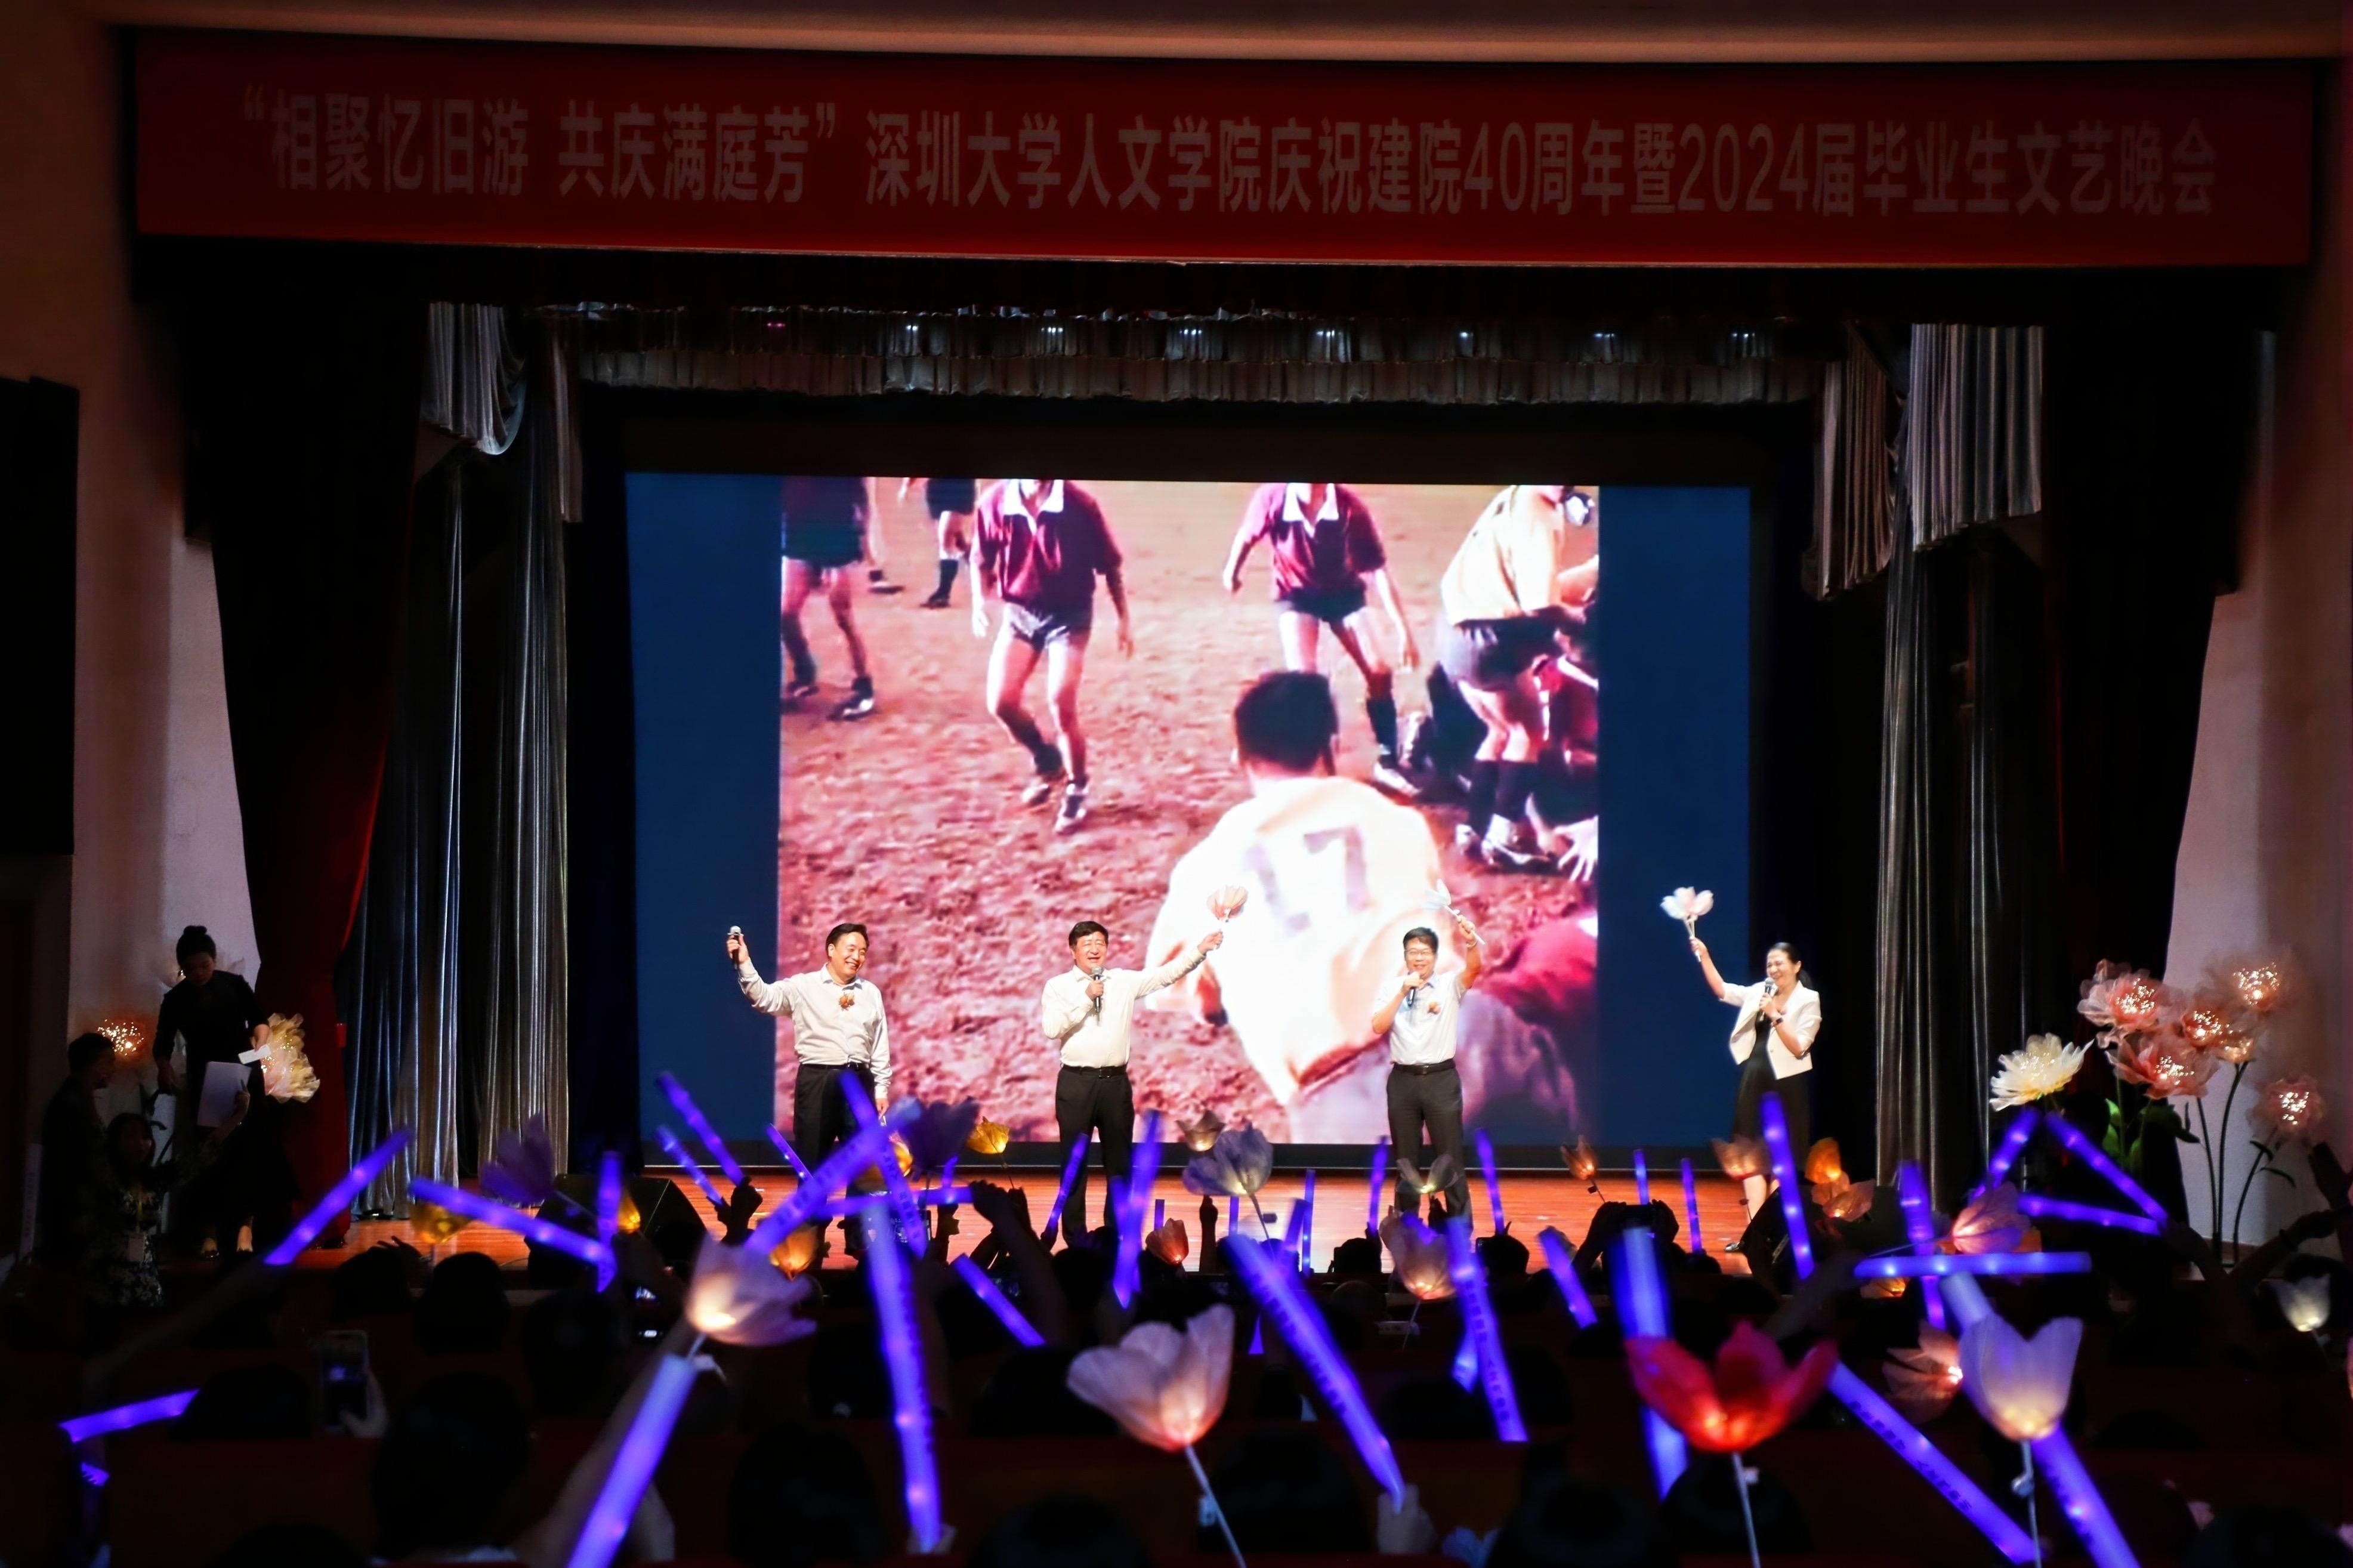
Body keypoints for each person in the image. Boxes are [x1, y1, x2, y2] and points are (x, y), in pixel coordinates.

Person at [1141, 673, 1446, 1140]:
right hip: (1462, 1041)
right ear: (1332, 746)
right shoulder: (1398, 821)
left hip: (1344, 1096)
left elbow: (1189, 994)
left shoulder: (1207, 862)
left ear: (1240, 758)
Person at [1222, 481, 1421, 795]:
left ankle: (1388, 761)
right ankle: (1323, 769)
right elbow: (1247, 535)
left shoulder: (1348, 507)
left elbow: (1377, 569)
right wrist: (1232, 570)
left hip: (1345, 595)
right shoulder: (1273, 498)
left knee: (1379, 669)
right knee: (1306, 683)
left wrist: (1403, 630)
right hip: (1296, 594)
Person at [1435, 484, 1595, 871]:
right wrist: (1577, 621)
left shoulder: (1516, 494)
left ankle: (1475, 828)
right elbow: (1540, 604)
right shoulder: (1539, 512)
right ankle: (1503, 838)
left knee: (1500, 731)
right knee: (1529, 732)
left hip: (1453, 630)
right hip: (1490, 637)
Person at [969, 478, 1131, 835]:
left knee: (1061, 700)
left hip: (1069, 616)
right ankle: (1047, 761)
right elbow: (980, 558)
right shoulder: (996, 502)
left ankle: (1077, 786)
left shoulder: (1079, 505)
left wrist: (1124, 619)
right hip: (1021, 615)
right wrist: (979, 601)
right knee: (1001, 702)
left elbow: (1109, 565)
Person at [1042, 917, 1222, 1232]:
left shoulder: (1122, 981)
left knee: (1120, 1164)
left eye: (1100, 943)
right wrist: (1087, 997)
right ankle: (1076, 1237)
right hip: (1076, 1084)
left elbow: (1166, 975)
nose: (1094, 949)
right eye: (1087, 944)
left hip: (1115, 1085)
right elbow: (1052, 1029)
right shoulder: (1058, 986)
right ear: (1073, 951)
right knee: (1074, 1164)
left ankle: (1115, 1233)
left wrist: (1200, 950)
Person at [730, 922, 893, 1162]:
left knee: (862, 1166)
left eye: (863, 952)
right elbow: (764, 998)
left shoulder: (870, 993)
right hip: (818, 1081)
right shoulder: (803, 986)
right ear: (831, 950)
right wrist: (744, 963)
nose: (857, 957)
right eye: (851, 949)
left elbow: (879, 1044)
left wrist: (881, 1089)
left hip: (859, 1081)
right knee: (812, 1161)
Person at [152, 925, 267, 1257]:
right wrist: (164, 1066)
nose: (199, 973)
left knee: (248, 1149)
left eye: (205, 965)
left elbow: (259, 1020)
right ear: (182, 968)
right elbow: (162, 1044)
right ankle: (210, 1231)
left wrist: (260, 1043)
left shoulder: (233, 985)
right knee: (208, 1153)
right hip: (205, 1076)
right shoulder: (176, 1000)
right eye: (191, 969)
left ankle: (246, 1227)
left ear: (214, 961)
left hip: (244, 1069)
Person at [1690, 937, 1820, 1224]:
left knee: (1781, 1160)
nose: (1773, 969)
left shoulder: (1809, 999)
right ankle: (1753, 1231)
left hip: (1787, 1087)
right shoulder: (1761, 991)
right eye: (1769, 964)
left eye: (1779, 963)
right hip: (1755, 1084)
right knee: (1751, 1159)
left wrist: (1775, 1015)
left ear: (1796, 966)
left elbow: (1800, 1047)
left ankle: (1772, 1230)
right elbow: (1723, 990)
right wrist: (1705, 955)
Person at [89, 1092, 247, 1313]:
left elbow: (199, 1156)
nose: (140, 1144)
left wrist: (237, 1117)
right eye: (130, 1137)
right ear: (115, 1142)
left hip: (145, 1278)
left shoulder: (154, 1180)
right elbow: (96, 1139)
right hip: (108, 1279)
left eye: (145, 1136)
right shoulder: (105, 1179)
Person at [1370, 918, 1484, 1220]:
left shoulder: (1448, 985)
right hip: (1403, 1081)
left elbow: (1473, 970)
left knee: (1450, 1157)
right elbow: (1378, 1026)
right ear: (1405, 956)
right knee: (1405, 1160)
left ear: (1435, 956)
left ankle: (1459, 1225)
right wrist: (1401, 993)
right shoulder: (1392, 988)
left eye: (1424, 952)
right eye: (1413, 952)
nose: (1418, 958)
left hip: (1440, 1079)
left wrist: (1471, 942)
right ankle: (1406, 1225)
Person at [780, 474, 879, 721]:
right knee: (785, 612)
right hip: (799, 533)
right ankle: (805, 671)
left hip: (838, 532)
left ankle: (864, 685)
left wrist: (864, 538)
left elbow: (861, 493)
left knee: (842, 612)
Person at [36, 1032, 113, 1265]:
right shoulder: (72, 1105)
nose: (113, 1070)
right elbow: (85, 1160)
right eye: (109, 1062)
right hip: (74, 1214)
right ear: (94, 1065)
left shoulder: (74, 1099)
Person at [898, 476, 980, 608]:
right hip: (937, 490)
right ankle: (977, 562)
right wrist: (906, 484)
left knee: (946, 539)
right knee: (951, 537)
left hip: (960, 488)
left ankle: (943, 593)